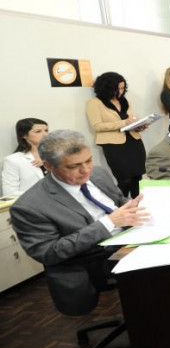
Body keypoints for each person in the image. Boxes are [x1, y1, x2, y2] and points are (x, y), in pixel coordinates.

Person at [9, 130, 148, 315]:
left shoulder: (97, 174)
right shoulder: (29, 206)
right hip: (94, 261)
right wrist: (108, 223)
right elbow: (49, 253)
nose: (86, 170)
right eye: (74, 166)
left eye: (88, 161)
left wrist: (133, 204)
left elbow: (118, 200)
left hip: (130, 238)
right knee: (164, 275)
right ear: (48, 165)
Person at [85, 71, 147, 197]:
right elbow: (97, 126)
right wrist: (124, 123)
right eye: (118, 89)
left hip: (134, 142)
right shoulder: (94, 103)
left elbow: (129, 121)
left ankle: (138, 204)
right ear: (107, 88)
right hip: (114, 146)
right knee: (124, 180)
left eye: (123, 88)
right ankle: (120, 205)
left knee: (137, 178)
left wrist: (138, 126)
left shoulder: (124, 101)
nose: (121, 92)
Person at [2, 118, 48, 196]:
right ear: (24, 135)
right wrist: (41, 196)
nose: (45, 135)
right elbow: (9, 193)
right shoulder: (13, 160)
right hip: (32, 202)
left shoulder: (54, 156)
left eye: (46, 130)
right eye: (38, 131)